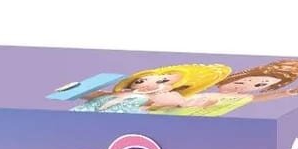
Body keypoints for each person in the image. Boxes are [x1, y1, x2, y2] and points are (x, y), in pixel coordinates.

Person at [71, 63, 231, 112]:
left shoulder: (158, 97)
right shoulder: (120, 93)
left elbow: (178, 103)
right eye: (141, 81)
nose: (148, 84)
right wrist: (78, 89)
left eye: (162, 81)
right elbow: (91, 95)